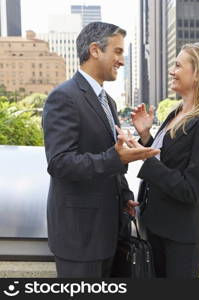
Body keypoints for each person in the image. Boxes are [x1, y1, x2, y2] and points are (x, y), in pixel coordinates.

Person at [42, 22, 159, 278]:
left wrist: (125, 194)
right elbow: (60, 163)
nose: (122, 61)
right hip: (79, 238)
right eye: (117, 52)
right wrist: (115, 157)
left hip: (109, 232)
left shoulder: (108, 101)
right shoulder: (64, 97)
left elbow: (110, 159)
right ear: (95, 50)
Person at [122, 43, 199, 278]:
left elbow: (190, 189)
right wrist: (146, 137)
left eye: (178, 65)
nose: (172, 71)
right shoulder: (176, 112)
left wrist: (143, 156)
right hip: (157, 226)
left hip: (182, 235)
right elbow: (169, 160)